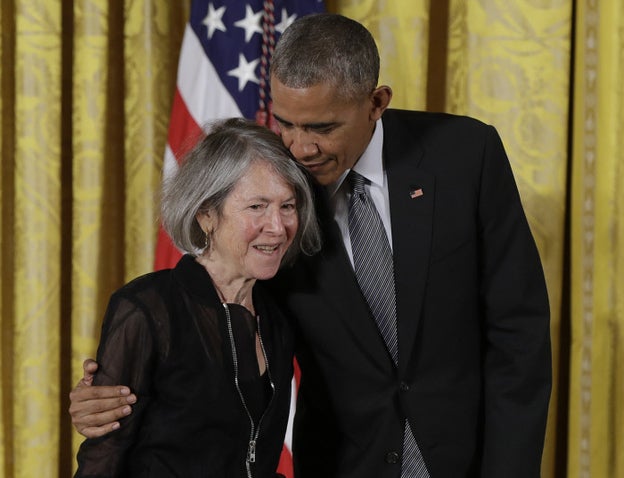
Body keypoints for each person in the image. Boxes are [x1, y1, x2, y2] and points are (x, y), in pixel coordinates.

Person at [70, 13, 552, 478]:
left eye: (322, 128)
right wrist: (120, 385)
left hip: (462, 458)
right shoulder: (276, 185)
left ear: (376, 102)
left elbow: (518, 331)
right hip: (341, 464)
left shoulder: (466, 154)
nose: (300, 148)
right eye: (287, 124)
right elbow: (215, 304)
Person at [72, 117, 321, 477]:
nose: (278, 226)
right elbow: (103, 459)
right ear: (206, 214)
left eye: (287, 206)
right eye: (257, 207)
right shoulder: (146, 308)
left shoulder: (278, 319)